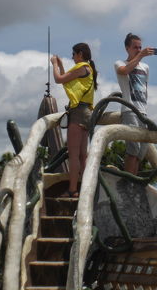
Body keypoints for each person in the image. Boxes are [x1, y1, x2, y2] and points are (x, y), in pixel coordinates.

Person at [51, 42, 98, 197]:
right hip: (87, 113)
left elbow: (58, 79)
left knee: (73, 155)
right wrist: (62, 65)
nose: (72, 57)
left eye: (73, 54)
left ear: (80, 54)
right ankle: (85, 189)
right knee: (83, 155)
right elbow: (67, 80)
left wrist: (54, 66)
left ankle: (73, 190)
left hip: (77, 113)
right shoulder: (88, 69)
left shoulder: (80, 68)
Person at [114, 33, 156, 174]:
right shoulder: (120, 63)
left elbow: (145, 88)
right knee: (133, 149)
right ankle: (128, 183)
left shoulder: (145, 67)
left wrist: (140, 57)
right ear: (127, 48)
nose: (138, 50)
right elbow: (124, 71)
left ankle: (134, 183)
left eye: (140, 47)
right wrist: (140, 56)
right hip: (129, 110)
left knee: (141, 152)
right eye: (135, 47)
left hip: (143, 111)